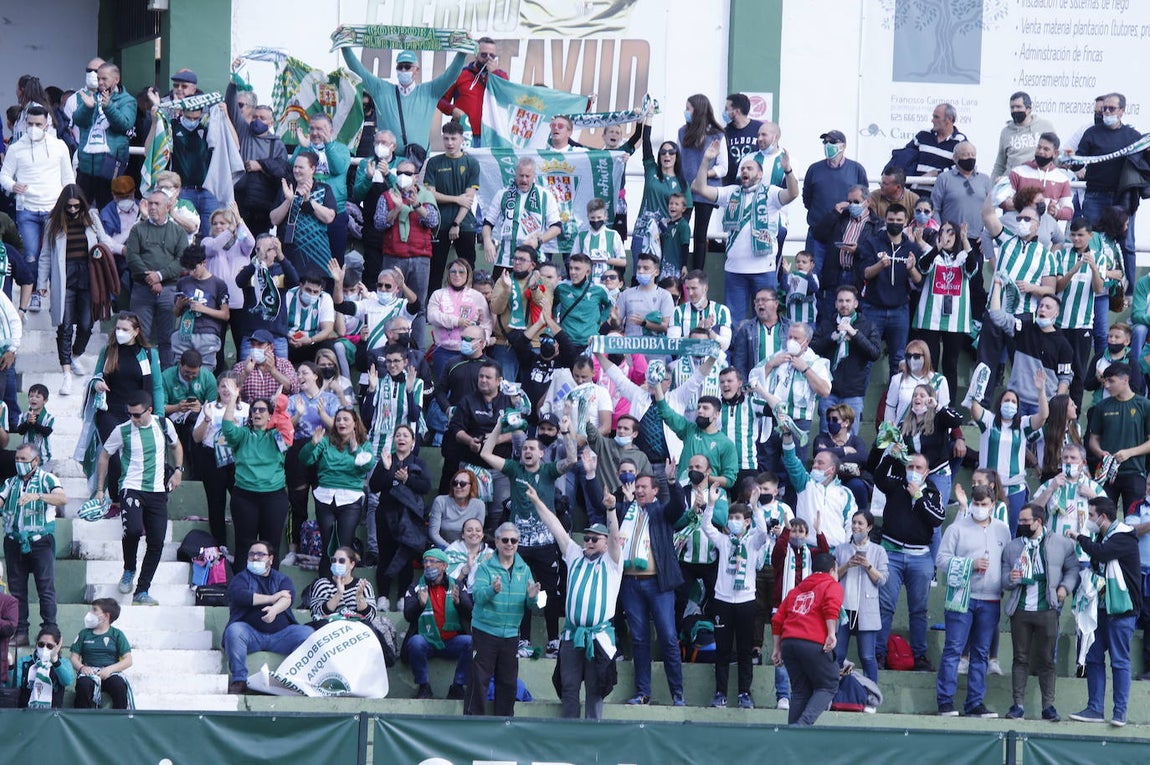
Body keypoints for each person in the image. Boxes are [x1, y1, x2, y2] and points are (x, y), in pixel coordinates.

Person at [525, 460, 622, 719]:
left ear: (604, 542)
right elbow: (555, 526)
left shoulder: (612, 562)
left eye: (594, 539)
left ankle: (592, 739)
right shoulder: (575, 554)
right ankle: (569, 734)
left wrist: (610, 511)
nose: (588, 542)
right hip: (571, 636)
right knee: (568, 688)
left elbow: (614, 537)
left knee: (594, 690)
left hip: (598, 637)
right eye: (587, 537)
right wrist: (537, 501)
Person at [691, 139, 798, 326]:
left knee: (767, 319)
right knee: (734, 322)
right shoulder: (731, 192)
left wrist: (788, 171)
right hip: (734, 270)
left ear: (760, 173)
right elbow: (699, 188)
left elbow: (793, 193)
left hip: (763, 269)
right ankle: (737, 355)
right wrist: (706, 161)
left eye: (749, 168)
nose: (744, 172)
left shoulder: (771, 193)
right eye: (742, 169)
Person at [95, 390, 184, 607]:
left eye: (137, 415)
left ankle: (142, 590)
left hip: (157, 490)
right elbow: (104, 455)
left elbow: (176, 446)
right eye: (130, 415)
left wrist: (179, 470)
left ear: (149, 410)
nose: (133, 419)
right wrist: (100, 489)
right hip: (131, 487)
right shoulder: (122, 430)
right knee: (133, 530)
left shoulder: (163, 425)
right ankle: (128, 569)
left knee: (156, 541)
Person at [935, 485, 1011, 718]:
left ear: (993, 505)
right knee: (954, 649)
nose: (979, 508)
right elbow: (941, 559)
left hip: (990, 600)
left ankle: (975, 703)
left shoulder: (1002, 530)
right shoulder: (957, 528)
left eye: (984, 504)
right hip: (962, 597)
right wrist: (970, 564)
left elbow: (1007, 560)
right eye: (976, 504)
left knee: (981, 652)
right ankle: (945, 701)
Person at [614, 469, 688, 707]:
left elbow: (677, 506)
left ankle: (678, 694)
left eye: (644, 487)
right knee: (639, 639)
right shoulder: (627, 510)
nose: (639, 490)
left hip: (659, 583)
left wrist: (673, 482)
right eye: (637, 487)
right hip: (630, 583)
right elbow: (604, 507)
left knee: (667, 636)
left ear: (655, 490)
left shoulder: (661, 511)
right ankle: (642, 693)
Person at [1067, 496, 1142, 726]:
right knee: (1093, 658)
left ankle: (1120, 712)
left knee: (1119, 661)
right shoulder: (1103, 535)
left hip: (1121, 610)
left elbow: (1101, 553)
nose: (1089, 519)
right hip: (1099, 609)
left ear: (1103, 517)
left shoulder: (1124, 537)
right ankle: (1095, 709)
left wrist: (1079, 537)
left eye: (1091, 515)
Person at [1001, 503, 1079, 722]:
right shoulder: (1012, 547)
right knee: (1020, 658)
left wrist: (1065, 587)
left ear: (1039, 521)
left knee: (1046, 660)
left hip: (1048, 609)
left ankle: (1048, 706)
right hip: (1020, 609)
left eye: (1026, 521)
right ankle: (1017, 705)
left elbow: (1073, 568)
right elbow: (1003, 577)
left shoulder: (1061, 543)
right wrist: (1010, 579)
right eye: (1020, 521)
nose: (1022, 524)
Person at [37, 185, 114, 395]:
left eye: (76, 206)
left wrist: (120, 246)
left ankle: (76, 354)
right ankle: (66, 373)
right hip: (65, 277)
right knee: (64, 325)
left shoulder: (91, 218)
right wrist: (41, 283)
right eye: (69, 206)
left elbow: (105, 241)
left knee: (88, 323)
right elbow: (45, 254)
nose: (72, 210)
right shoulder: (53, 223)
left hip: (89, 277)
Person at [875, 451, 944, 671]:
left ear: (927, 472)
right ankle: (879, 654)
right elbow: (878, 478)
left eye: (918, 468)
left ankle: (919, 656)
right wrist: (892, 458)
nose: (913, 471)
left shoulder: (932, 492)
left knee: (919, 609)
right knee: (885, 606)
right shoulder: (896, 484)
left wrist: (918, 497)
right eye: (910, 467)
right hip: (891, 553)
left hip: (920, 557)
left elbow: (937, 518)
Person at [465, 521, 541, 716]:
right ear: (497, 542)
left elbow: (532, 605)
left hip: (510, 634)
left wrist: (533, 598)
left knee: (507, 682)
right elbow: (478, 597)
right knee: (479, 680)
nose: (509, 544)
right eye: (505, 540)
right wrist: (493, 590)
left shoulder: (524, 570)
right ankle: (473, 724)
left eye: (514, 540)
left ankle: (504, 724)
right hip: (485, 631)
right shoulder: (485, 567)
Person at [1, 104, 74, 306]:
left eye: (38, 124)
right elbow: (4, 175)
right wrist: (14, 185)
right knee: (31, 253)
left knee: (55, 254)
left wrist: (68, 205)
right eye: (30, 123)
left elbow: (69, 178)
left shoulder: (59, 147)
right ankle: (33, 295)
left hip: (53, 208)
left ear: (47, 123)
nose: (34, 127)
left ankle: (56, 298)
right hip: (27, 209)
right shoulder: (16, 148)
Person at [88, 312, 166, 500]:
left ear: (136, 331)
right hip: (110, 412)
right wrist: (97, 384)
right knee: (114, 457)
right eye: (118, 328)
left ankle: (132, 499)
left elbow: (156, 387)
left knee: (134, 458)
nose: (120, 332)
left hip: (138, 414)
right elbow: (95, 378)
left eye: (125, 329)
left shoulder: (148, 354)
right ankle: (115, 500)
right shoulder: (108, 351)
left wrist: (160, 415)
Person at [701, 495, 769, 709]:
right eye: (731, 517)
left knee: (744, 649)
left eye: (738, 517)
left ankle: (744, 693)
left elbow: (764, 532)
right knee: (722, 649)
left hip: (746, 601)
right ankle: (720, 693)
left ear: (747, 521)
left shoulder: (753, 541)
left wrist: (756, 508)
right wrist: (711, 504)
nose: (733, 521)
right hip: (722, 600)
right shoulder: (723, 540)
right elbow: (705, 526)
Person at [222, 540, 314, 695]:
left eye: (260, 554)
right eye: (251, 554)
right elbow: (242, 596)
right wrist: (272, 598)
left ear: (270, 559)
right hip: (250, 635)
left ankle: (294, 680)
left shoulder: (281, 579)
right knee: (234, 631)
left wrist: (274, 610)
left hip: (281, 636)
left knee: (307, 633)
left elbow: (287, 598)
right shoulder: (240, 578)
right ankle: (239, 680)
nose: (255, 558)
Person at [340, 43, 466, 156]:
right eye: (400, 67)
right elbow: (358, 70)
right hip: (389, 161)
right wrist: (345, 46)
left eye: (407, 66)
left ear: (417, 69)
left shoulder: (430, 91)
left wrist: (463, 50)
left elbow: (451, 74)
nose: (403, 70)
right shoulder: (381, 90)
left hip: (419, 161)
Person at [219, 379, 290, 569]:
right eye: (254, 410)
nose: (257, 413)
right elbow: (227, 427)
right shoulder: (243, 434)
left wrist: (279, 405)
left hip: (274, 496)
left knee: (271, 544)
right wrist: (233, 399)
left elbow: (288, 429)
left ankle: (270, 589)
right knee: (244, 544)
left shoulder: (277, 435)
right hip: (245, 496)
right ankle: (242, 589)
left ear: (270, 415)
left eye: (262, 410)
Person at [1, 443, 66, 647]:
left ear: (35, 461)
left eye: (24, 459)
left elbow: (62, 498)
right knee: (17, 590)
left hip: (40, 542)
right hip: (14, 540)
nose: (19, 463)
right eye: (17, 459)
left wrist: (38, 496)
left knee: (45, 588)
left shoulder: (47, 479)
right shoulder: (10, 482)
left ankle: (50, 632)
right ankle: (20, 633)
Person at [969, 369, 1049, 528]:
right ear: (999, 403)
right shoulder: (989, 421)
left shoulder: (1023, 424)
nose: (1010, 404)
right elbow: (975, 409)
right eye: (1007, 400)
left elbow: (1043, 416)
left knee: (1010, 531)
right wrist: (977, 386)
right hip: (988, 488)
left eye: (1014, 402)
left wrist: (1041, 391)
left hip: (1015, 488)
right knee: (984, 528)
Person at [771, 552, 843, 726]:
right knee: (829, 684)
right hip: (813, 641)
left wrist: (776, 648)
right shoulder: (831, 585)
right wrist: (831, 633)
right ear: (833, 569)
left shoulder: (796, 590)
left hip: (789, 643)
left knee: (800, 692)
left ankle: (792, 736)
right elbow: (831, 607)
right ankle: (801, 726)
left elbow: (778, 619)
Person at [300, 409, 374, 575]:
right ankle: (324, 588)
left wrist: (355, 449)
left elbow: (367, 465)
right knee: (328, 546)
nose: (341, 422)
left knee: (343, 548)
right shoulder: (326, 441)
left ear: (355, 423)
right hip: (325, 498)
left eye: (346, 419)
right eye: (338, 419)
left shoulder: (364, 444)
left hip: (350, 499)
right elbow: (305, 459)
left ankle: (343, 589)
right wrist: (312, 443)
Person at [911, 221, 977, 397]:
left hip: (955, 319)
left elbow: (972, 268)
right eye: (942, 232)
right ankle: (928, 400)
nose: (946, 236)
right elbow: (923, 266)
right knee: (930, 363)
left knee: (950, 364)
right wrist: (937, 247)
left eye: (951, 232)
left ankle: (949, 406)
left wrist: (965, 241)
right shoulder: (932, 254)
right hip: (931, 318)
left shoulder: (963, 256)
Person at [370, 424, 432, 609]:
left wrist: (407, 480)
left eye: (406, 435)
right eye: (398, 435)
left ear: (413, 442)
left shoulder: (418, 462)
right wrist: (388, 471)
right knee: (385, 556)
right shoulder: (386, 459)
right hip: (386, 514)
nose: (401, 438)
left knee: (405, 557)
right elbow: (374, 486)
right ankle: (383, 597)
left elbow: (426, 487)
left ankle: (403, 597)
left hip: (409, 517)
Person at [858, 203, 922, 377]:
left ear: (906, 221)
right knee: (866, 359)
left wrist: (911, 268)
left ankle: (895, 403)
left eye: (899, 220)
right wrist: (879, 265)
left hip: (900, 310)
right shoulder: (872, 243)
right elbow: (864, 273)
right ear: (885, 220)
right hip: (873, 308)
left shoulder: (912, 248)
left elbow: (919, 280)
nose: (895, 223)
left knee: (899, 360)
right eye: (891, 220)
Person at [400, 548, 473, 700]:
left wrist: (459, 603)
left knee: (471, 642)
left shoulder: (457, 585)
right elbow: (408, 615)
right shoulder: (416, 587)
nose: (427, 565)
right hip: (427, 641)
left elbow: (470, 612)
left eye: (432, 562)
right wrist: (420, 604)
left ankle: (458, 687)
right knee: (415, 642)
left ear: (444, 566)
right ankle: (424, 687)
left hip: (451, 641)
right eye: (425, 562)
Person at [1077, 92, 1142, 259]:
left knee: (1126, 245)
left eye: (1111, 108)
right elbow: (1078, 162)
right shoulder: (1091, 133)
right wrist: (1070, 160)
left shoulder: (1133, 136)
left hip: (1123, 199)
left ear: (1122, 111)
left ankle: (1128, 285)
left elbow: (1143, 166)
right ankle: (1092, 283)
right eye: (1104, 109)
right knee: (1092, 242)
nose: (1106, 112)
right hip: (1095, 197)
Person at [812, 285, 881, 431]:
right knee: (827, 435)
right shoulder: (827, 324)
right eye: (841, 301)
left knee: (850, 437)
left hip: (854, 392)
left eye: (848, 301)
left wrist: (855, 335)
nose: (844, 304)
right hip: (829, 389)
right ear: (836, 303)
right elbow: (813, 349)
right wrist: (831, 338)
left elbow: (874, 354)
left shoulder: (868, 325)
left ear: (855, 303)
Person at [802, 130, 869, 277]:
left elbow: (864, 198)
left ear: (843, 146)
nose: (827, 145)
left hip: (846, 233)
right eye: (825, 142)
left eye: (832, 142)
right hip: (817, 232)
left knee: (841, 277)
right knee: (813, 275)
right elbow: (807, 198)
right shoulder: (814, 169)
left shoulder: (856, 169)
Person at [192, 372, 248, 548]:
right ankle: (220, 544)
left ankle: (244, 542)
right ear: (217, 388)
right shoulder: (209, 407)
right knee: (216, 502)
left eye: (231, 386)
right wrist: (207, 419)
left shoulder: (247, 409)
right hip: (212, 457)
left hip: (238, 459)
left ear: (238, 389)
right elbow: (197, 438)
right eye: (223, 385)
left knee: (241, 502)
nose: (226, 390)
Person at [424, 120, 480, 292]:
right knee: (436, 269)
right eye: (446, 138)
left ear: (462, 139)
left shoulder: (471, 163)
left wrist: (456, 223)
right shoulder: (434, 163)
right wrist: (456, 199)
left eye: (453, 139)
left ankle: (469, 304)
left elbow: (468, 199)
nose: (449, 143)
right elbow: (430, 194)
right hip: (439, 224)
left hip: (465, 224)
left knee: (468, 268)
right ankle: (432, 306)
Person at [1087, 363, 1150, 511]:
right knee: (1103, 521)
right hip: (1107, 474)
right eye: (1105, 381)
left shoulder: (1144, 405)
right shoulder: (1102, 406)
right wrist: (1100, 452)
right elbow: (1093, 439)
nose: (1107, 385)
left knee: (1133, 523)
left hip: (1135, 473)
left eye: (1111, 381)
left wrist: (1129, 452)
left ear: (1125, 380)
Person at [482, 158, 562, 274]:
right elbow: (487, 223)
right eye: (521, 175)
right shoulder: (502, 194)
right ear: (515, 174)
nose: (524, 180)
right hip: (505, 260)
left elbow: (557, 227)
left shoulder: (546, 196)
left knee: (533, 292)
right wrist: (487, 240)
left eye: (527, 176)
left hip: (533, 259)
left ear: (534, 175)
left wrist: (538, 241)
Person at [834, 510, 887, 684]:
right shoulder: (842, 549)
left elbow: (883, 580)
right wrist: (847, 565)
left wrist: (868, 566)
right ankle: (831, 694)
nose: (856, 526)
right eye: (854, 522)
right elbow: (832, 577)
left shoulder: (878, 551)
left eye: (860, 523)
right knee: (838, 654)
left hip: (866, 610)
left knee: (867, 656)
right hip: (843, 609)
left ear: (869, 527)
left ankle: (871, 695)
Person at [73, 63, 136, 208]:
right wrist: (87, 108)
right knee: (79, 211)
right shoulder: (90, 97)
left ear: (116, 80)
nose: (100, 82)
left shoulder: (128, 101)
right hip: (86, 168)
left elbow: (125, 125)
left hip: (110, 168)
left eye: (104, 79)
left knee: (108, 213)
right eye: (98, 78)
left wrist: (108, 107)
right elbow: (78, 121)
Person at [631, 116, 693, 260]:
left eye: (671, 152)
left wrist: (675, 231)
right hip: (642, 230)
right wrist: (649, 117)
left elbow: (687, 212)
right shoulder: (651, 170)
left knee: (661, 276)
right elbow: (646, 142)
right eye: (663, 152)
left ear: (677, 156)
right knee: (639, 272)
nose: (667, 155)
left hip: (664, 235)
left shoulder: (682, 183)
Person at [678, 94, 727, 271]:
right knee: (681, 231)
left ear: (697, 111)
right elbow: (679, 160)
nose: (685, 112)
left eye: (688, 108)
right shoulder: (682, 132)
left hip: (706, 191)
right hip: (686, 190)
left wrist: (704, 174)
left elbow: (723, 168)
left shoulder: (717, 135)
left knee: (700, 234)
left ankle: (698, 272)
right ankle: (679, 266)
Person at [270, 152, 337, 279]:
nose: (296, 170)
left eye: (301, 167)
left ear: (312, 169)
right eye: (295, 167)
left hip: (317, 255)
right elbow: (274, 219)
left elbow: (329, 217)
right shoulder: (287, 189)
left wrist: (309, 201)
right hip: (289, 255)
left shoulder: (324, 189)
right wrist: (289, 200)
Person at [437, 37, 507, 146]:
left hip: (491, 136)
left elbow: (506, 98)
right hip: (465, 134)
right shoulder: (460, 74)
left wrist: (495, 74)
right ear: (475, 54)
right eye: (484, 55)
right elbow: (440, 100)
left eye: (492, 56)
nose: (488, 59)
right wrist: (453, 110)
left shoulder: (501, 76)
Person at [172, 244, 231, 370]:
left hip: (207, 333)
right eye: (188, 269)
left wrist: (203, 309)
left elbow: (225, 315)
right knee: (180, 368)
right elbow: (176, 313)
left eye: (194, 268)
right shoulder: (183, 282)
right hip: (185, 331)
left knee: (205, 371)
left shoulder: (218, 284)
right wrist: (179, 305)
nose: (191, 273)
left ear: (204, 263)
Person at [307, 545, 377, 630]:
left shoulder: (363, 586)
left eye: (341, 561)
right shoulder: (321, 584)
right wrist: (338, 594)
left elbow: (370, 618)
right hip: (329, 631)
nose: (336, 564)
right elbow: (316, 614)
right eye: (333, 560)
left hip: (356, 632)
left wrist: (360, 598)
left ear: (352, 564)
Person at [16, 624, 74, 708]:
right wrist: (10, 666)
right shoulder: (25, 661)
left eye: (49, 646)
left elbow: (67, 681)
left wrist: (55, 661)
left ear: (57, 646)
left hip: (53, 715)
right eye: (41, 644)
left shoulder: (63, 662)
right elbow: (13, 684)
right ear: (36, 644)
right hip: (26, 713)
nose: (44, 648)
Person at [430, 469, 487, 550]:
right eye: (455, 483)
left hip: (469, 549)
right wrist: (452, 549)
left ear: (471, 486)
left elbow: (476, 535)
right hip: (443, 548)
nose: (458, 486)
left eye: (462, 484)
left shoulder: (479, 505)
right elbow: (433, 534)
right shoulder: (440, 501)